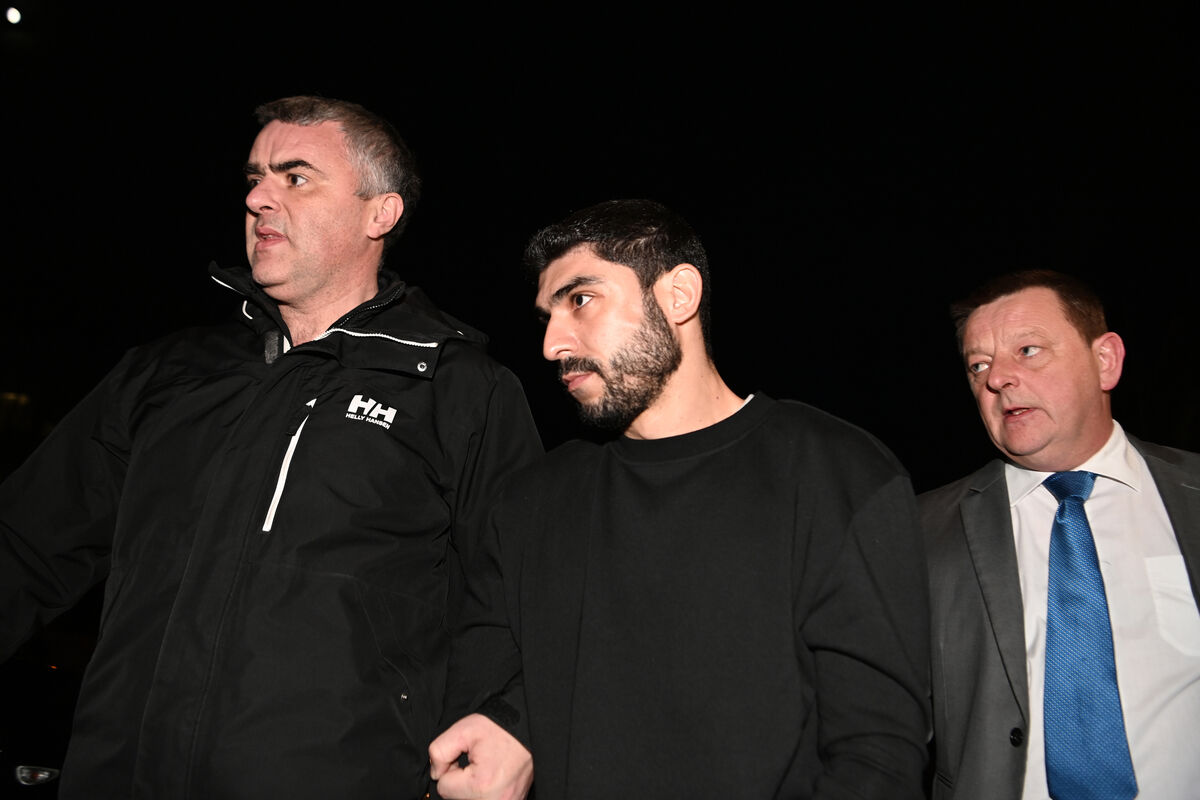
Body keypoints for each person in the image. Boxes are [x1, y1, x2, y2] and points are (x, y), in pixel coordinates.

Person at [0, 96, 542, 799]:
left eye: (295, 177)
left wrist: (510, 720)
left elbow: (525, 591)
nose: (258, 196)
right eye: (255, 176)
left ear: (380, 212)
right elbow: (26, 543)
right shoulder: (167, 373)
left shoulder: (456, 389)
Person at [428, 199, 931, 799]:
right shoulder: (531, 502)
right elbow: (486, 695)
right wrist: (507, 725)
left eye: (581, 300)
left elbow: (878, 754)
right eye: (546, 317)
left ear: (679, 295)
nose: (553, 344)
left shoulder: (835, 470)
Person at [919, 270, 1200, 800]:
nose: (997, 378)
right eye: (978, 365)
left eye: (1027, 350)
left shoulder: (1191, 496)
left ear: (1105, 361)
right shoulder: (922, 530)